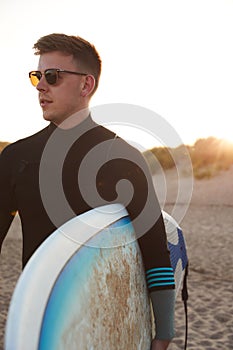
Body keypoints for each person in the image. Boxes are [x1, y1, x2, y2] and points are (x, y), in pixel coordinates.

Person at [0, 33, 175, 350]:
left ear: (86, 85)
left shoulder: (123, 160)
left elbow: (154, 249)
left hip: (108, 329)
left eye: (52, 76)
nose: (41, 86)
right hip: (44, 328)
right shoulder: (16, 159)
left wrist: (164, 332)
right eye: (37, 76)